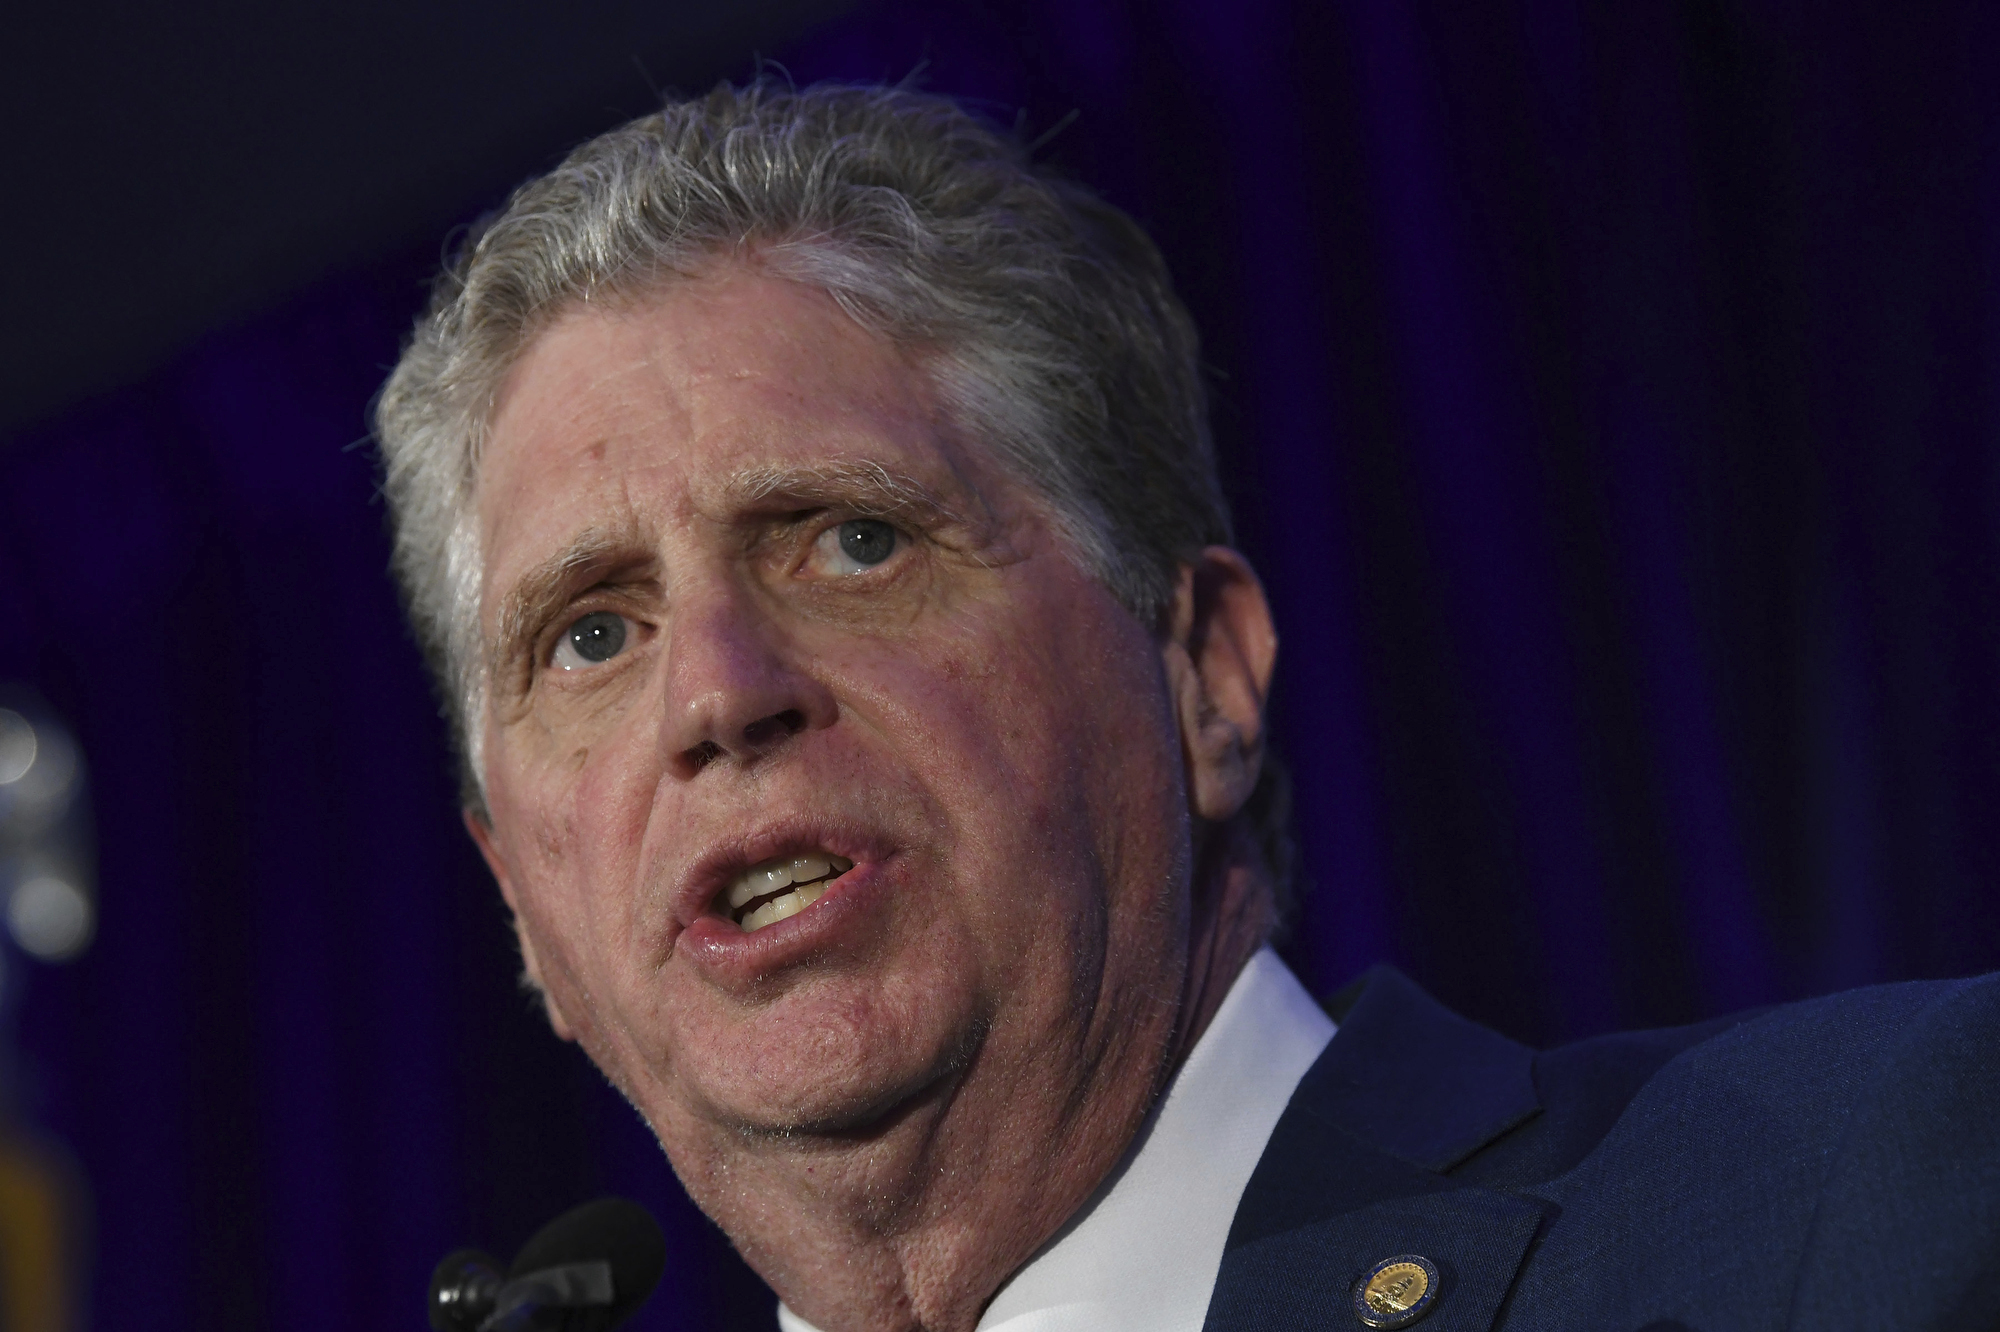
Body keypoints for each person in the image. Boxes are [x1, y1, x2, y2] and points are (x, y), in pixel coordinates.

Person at [374, 82, 2000, 1332]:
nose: (718, 693)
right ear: (522, 898)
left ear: (1206, 672)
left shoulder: (1864, 1198)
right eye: (590, 636)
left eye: (853, 541)